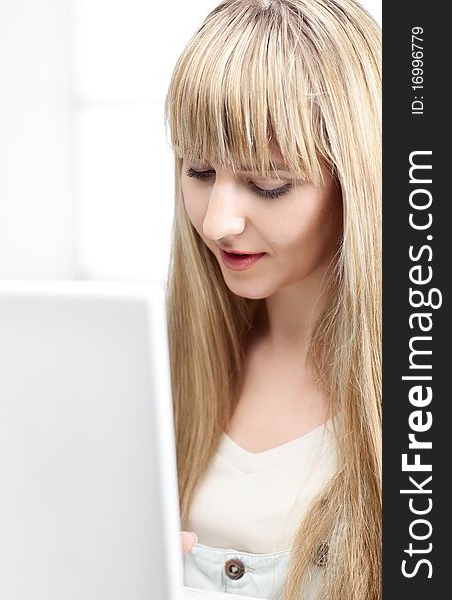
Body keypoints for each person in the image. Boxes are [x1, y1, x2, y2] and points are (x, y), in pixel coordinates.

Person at [165, 0, 381, 598]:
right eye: (199, 171)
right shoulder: (156, 365)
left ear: (358, 183)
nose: (217, 223)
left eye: (269, 184)